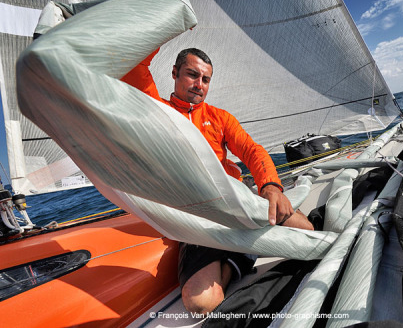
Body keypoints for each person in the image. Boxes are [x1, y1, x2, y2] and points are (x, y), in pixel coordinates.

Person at [122, 48, 313, 314]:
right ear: (174, 73)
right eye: (192, 75)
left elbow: (251, 150)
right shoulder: (156, 110)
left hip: (236, 198)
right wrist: (172, 19)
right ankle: (243, 252)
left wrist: (269, 185)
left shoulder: (220, 118)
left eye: (206, 79)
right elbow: (133, 63)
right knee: (201, 303)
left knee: (307, 231)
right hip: (197, 214)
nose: (199, 85)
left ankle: (242, 242)